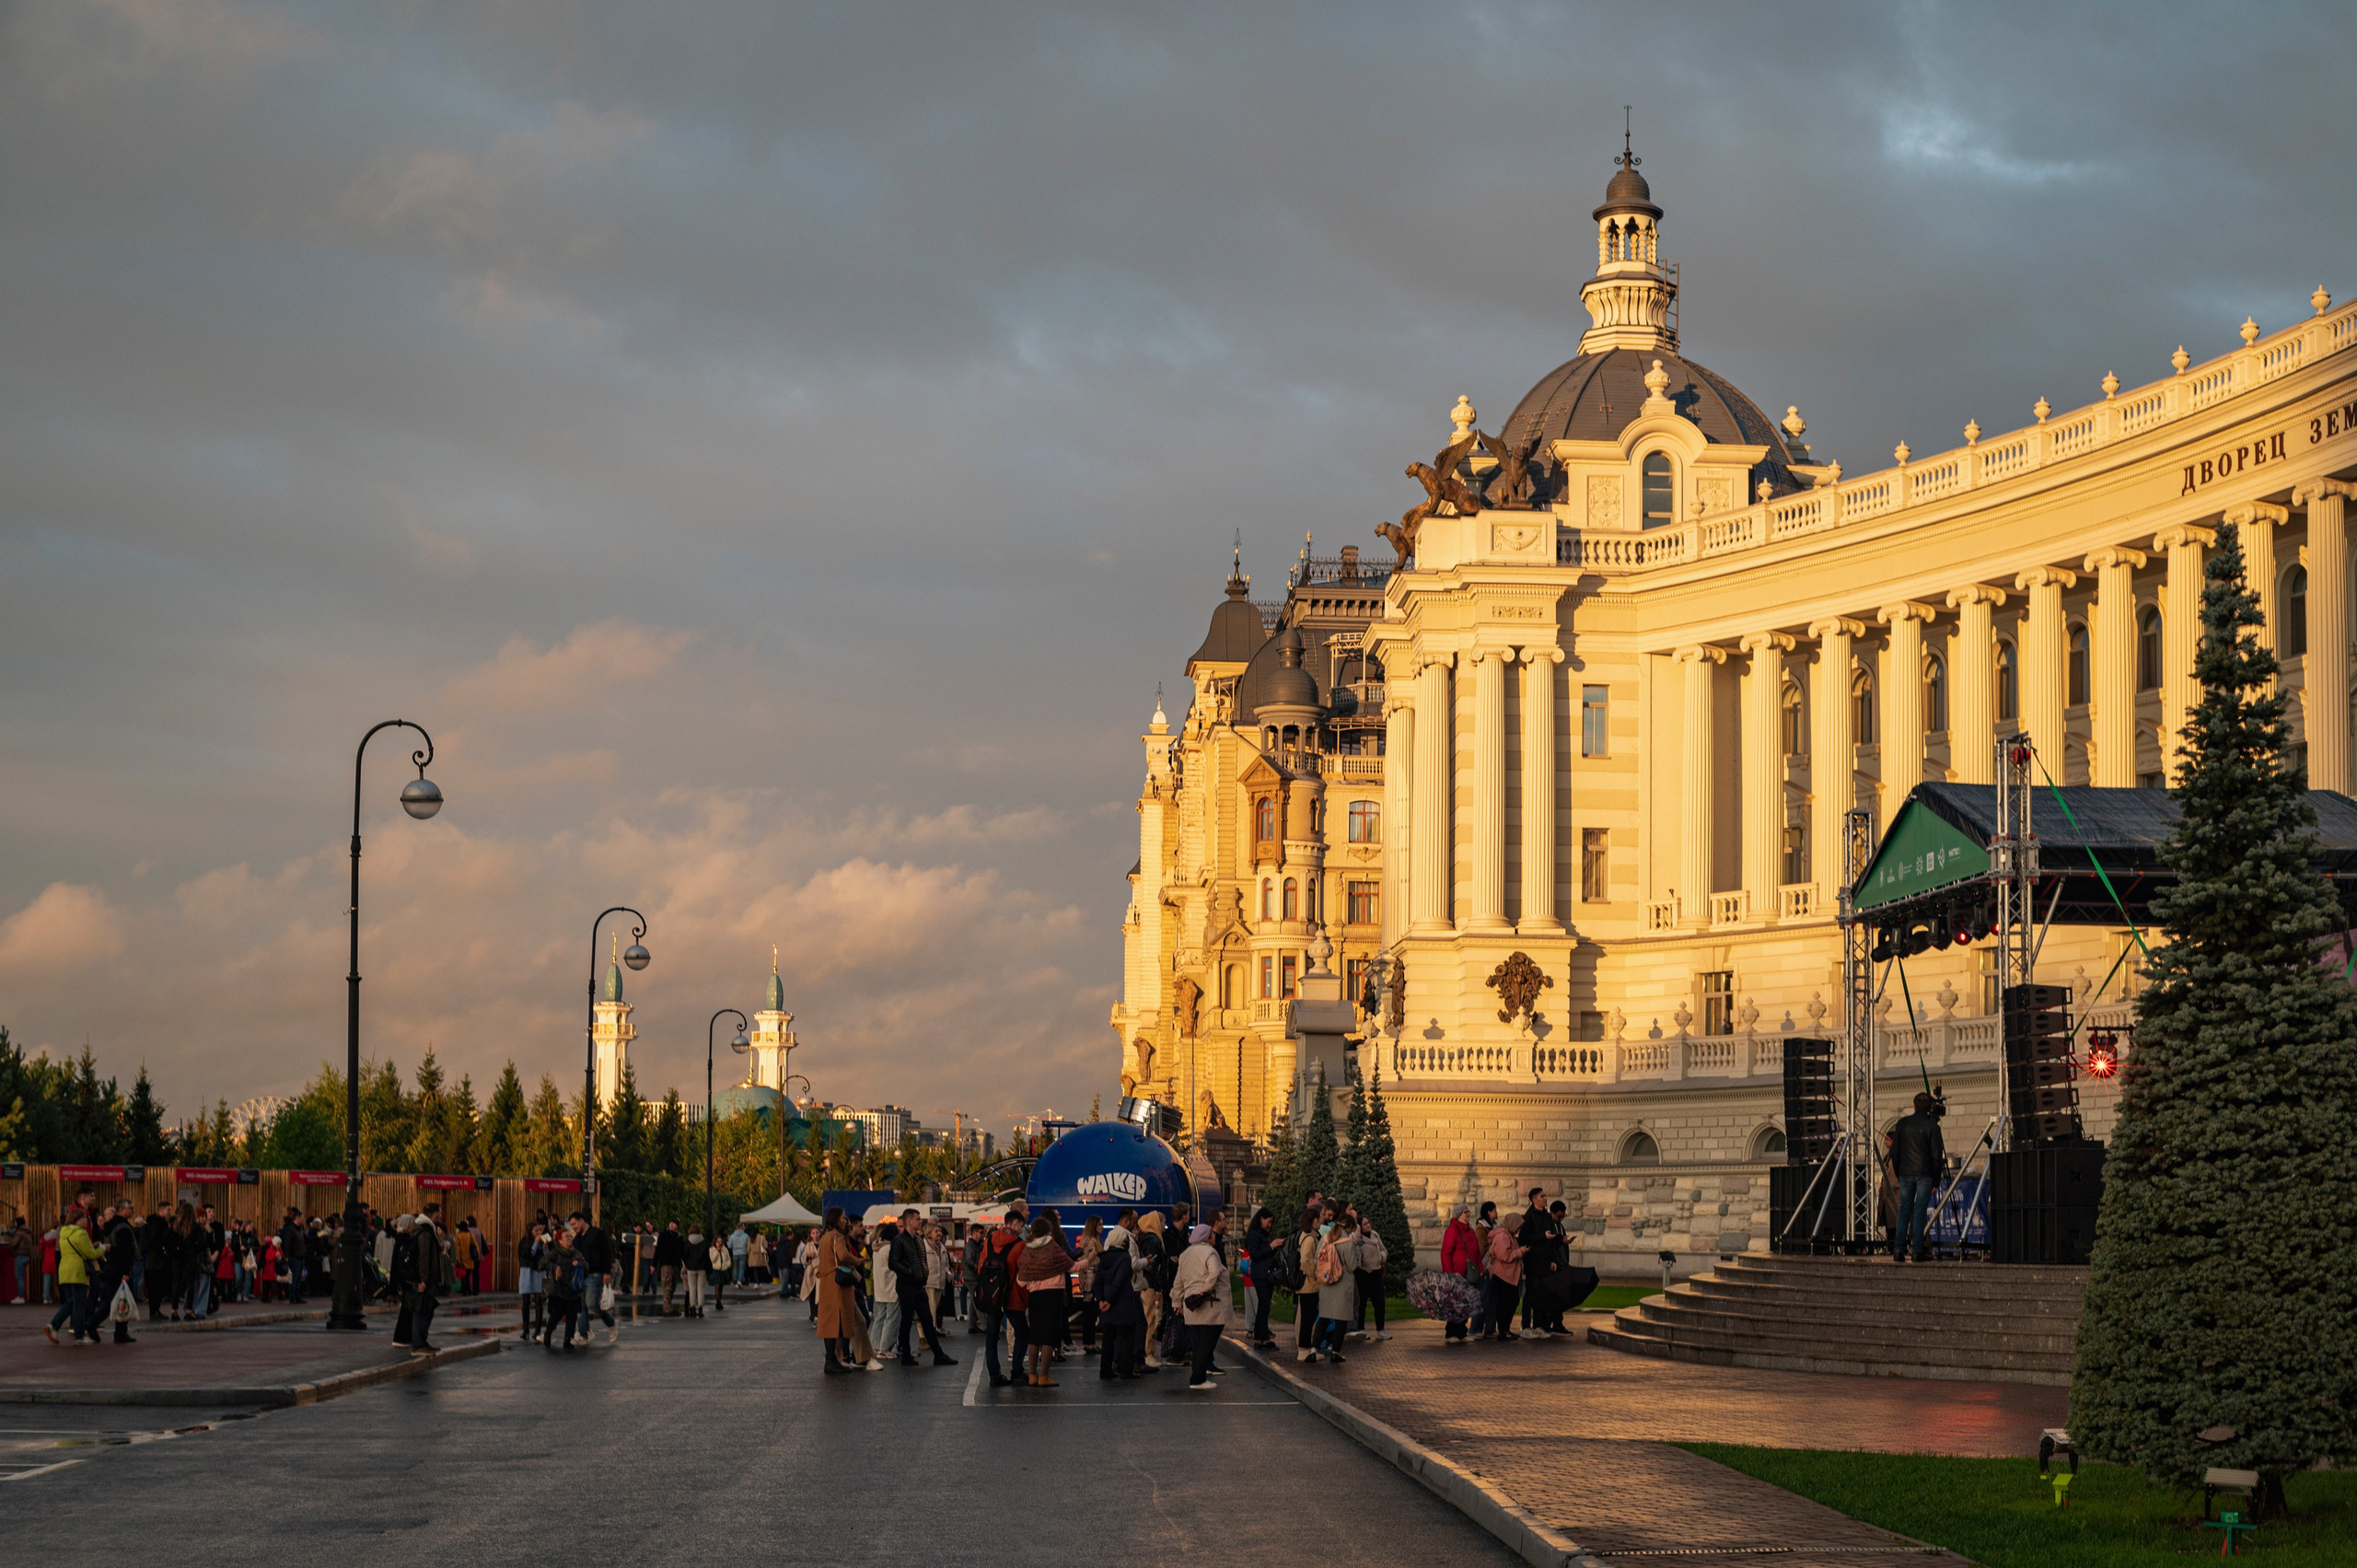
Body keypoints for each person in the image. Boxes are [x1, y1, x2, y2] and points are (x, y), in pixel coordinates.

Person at [887, 1208, 956, 1366]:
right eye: (917, 1219)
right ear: (909, 1221)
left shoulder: (918, 1240)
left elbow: (922, 1260)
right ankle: (906, 1354)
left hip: (918, 1285)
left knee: (927, 1319)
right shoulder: (899, 1241)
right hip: (906, 1285)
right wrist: (910, 1273)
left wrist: (923, 1275)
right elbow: (893, 1263)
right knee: (907, 1320)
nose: (921, 1221)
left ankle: (938, 1354)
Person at [1015, 1213, 1073, 1388]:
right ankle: (1044, 1376)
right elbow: (1071, 1265)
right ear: (1048, 1231)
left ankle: (1032, 1376)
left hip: (1034, 1297)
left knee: (1034, 1336)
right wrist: (1089, 1260)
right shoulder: (1052, 1247)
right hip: (1053, 1295)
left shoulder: (1028, 1249)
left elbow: (1021, 1281)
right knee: (1049, 1337)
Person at [814, 1208, 875, 1374]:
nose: (845, 1220)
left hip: (827, 1282)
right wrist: (858, 1261)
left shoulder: (825, 1236)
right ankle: (836, 1360)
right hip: (838, 1284)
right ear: (836, 1219)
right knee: (841, 1322)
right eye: (842, 1218)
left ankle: (834, 1359)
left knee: (833, 1323)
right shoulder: (838, 1237)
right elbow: (843, 1255)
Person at [1888, 1091, 1947, 1262]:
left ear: (1914, 1106)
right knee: (1920, 1212)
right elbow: (1937, 1157)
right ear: (1930, 1107)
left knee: (1904, 1211)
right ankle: (1917, 1250)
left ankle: (1898, 1249)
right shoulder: (1933, 1127)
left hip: (1906, 1173)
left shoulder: (1902, 1124)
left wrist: (1899, 1172)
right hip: (1925, 1174)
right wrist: (1936, 1180)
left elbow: (1895, 1152)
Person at [1171, 1221, 1231, 1390]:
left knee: (1198, 1342)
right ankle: (1198, 1379)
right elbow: (1214, 1273)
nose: (1214, 1237)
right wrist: (1204, 1290)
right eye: (1212, 1234)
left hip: (1191, 1304)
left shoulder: (1185, 1254)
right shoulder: (1210, 1252)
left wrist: (1177, 1301)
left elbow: (1178, 1282)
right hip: (1209, 1304)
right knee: (1207, 1343)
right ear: (1206, 1237)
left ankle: (1197, 1376)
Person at [976, 1203, 1028, 1385]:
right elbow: (1024, 1271)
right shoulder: (1019, 1245)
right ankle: (1017, 1372)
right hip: (1012, 1297)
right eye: (1021, 1226)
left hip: (992, 1296)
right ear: (1015, 1223)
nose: (1021, 1230)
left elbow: (981, 1266)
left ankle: (994, 1375)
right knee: (1022, 1332)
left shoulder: (989, 1241)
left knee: (992, 1335)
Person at [1094, 1223, 1144, 1379]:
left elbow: (1097, 1282)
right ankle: (1126, 1369)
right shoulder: (1124, 1258)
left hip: (1106, 1303)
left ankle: (1105, 1370)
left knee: (1108, 1339)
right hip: (1122, 1302)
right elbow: (1120, 1281)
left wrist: (1101, 1300)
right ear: (1123, 1242)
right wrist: (1109, 1300)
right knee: (1127, 1336)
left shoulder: (1103, 1258)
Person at [45, 1206, 99, 1344]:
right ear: (77, 1220)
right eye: (83, 1218)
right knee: (79, 1304)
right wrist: (103, 1248)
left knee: (70, 1302)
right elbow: (91, 1254)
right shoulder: (81, 1234)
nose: (86, 1220)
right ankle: (79, 1336)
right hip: (78, 1271)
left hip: (65, 1270)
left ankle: (54, 1325)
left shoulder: (63, 1233)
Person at [1515, 1188, 1563, 1340]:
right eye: (1542, 1196)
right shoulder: (1528, 1217)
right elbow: (1524, 1239)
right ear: (1534, 1199)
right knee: (1530, 1294)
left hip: (1545, 1263)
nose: (1545, 1198)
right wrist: (1542, 1236)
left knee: (1542, 1295)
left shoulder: (1547, 1217)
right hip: (1533, 1263)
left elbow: (1551, 1240)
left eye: (1545, 1196)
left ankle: (1539, 1326)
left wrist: (1553, 1260)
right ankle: (1525, 1326)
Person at [1310, 1208, 1356, 1363]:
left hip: (1326, 1283)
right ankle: (1336, 1352)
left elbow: (1317, 1260)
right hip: (1343, 1284)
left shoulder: (1325, 1239)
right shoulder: (1347, 1242)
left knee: (1323, 1318)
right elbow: (1352, 1266)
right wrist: (1358, 1253)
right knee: (1341, 1320)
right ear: (1349, 1227)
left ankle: (1313, 1349)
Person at [1238, 1207, 1279, 1349]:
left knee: (1264, 1305)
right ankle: (1262, 1338)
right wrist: (1271, 1247)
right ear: (1261, 1219)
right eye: (1268, 1221)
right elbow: (1255, 1254)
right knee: (1263, 1305)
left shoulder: (1263, 1234)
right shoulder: (1254, 1235)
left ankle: (1260, 1338)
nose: (1270, 1225)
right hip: (1260, 1274)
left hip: (1266, 1272)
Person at [1135, 1210, 1171, 1369]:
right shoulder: (1152, 1241)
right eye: (1163, 1222)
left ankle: (1149, 1351)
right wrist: (1158, 1288)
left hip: (1152, 1286)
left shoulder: (1152, 1240)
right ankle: (1147, 1353)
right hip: (1151, 1287)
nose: (1164, 1225)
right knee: (1151, 1318)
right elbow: (1153, 1267)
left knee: (1152, 1318)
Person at [1440, 1206, 1480, 1342]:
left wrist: (1480, 1269)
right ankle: (1451, 1333)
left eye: (1468, 1212)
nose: (1468, 1214)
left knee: (1466, 1304)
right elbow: (1446, 1253)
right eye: (1465, 1212)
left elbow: (1477, 1252)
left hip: (1469, 1274)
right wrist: (1450, 1274)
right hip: (1456, 1275)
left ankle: (1462, 1332)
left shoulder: (1471, 1231)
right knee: (1455, 1304)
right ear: (1459, 1215)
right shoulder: (1452, 1231)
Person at [1483, 1210, 1525, 1342]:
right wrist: (1520, 1252)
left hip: (1509, 1276)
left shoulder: (1509, 1235)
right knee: (1505, 1304)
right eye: (1518, 1226)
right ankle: (1503, 1330)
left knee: (1511, 1302)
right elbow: (1504, 1256)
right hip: (1503, 1275)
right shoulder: (1502, 1236)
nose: (1518, 1229)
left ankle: (1505, 1329)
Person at [541, 1223, 583, 1352]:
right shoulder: (555, 1252)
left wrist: (579, 1264)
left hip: (573, 1289)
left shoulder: (576, 1253)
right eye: (566, 1237)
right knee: (556, 1315)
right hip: (559, 1289)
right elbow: (542, 1263)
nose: (570, 1239)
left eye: (570, 1236)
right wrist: (555, 1267)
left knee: (572, 1316)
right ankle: (548, 1333)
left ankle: (567, 1340)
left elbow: (586, 1266)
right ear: (560, 1240)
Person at [1292, 1208, 1322, 1363]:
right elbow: (1305, 1261)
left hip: (1307, 1285)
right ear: (1314, 1220)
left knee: (1308, 1318)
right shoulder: (1310, 1239)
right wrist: (1316, 1274)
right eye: (1320, 1218)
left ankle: (1306, 1348)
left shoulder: (1307, 1236)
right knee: (1307, 1319)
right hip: (1309, 1285)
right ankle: (1304, 1349)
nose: (1321, 1221)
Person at [1070, 1215, 1103, 1355]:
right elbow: (1089, 1261)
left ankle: (1091, 1343)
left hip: (1093, 1280)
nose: (1102, 1227)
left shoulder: (1095, 1239)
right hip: (1091, 1281)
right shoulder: (1091, 1241)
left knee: (1092, 1313)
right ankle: (1088, 1343)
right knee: (1090, 1313)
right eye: (1100, 1224)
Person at [517, 1223, 546, 1340]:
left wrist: (544, 1246)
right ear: (530, 1231)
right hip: (527, 1271)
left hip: (538, 1271)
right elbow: (529, 1255)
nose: (538, 1233)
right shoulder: (524, 1242)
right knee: (525, 1300)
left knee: (539, 1299)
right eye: (536, 1231)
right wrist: (536, 1243)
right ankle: (525, 1329)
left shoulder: (542, 1241)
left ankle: (537, 1330)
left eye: (539, 1230)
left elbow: (547, 1256)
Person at [653, 1221, 685, 1313]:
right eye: (670, 1223)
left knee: (673, 1286)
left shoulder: (679, 1237)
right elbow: (658, 1250)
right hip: (666, 1263)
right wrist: (654, 1264)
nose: (671, 1225)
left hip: (676, 1264)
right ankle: (667, 1308)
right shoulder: (664, 1235)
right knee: (667, 1286)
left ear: (677, 1226)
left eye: (674, 1223)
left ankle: (669, 1305)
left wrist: (684, 1263)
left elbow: (682, 1251)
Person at [682, 1225, 709, 1318]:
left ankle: (692, 1308)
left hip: (691, 1268)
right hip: (702, 1267)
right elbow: (707, 1255)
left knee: (692, 1288)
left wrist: (687, 1264)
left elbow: (684, 1255)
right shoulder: (704, 1241)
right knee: (701, 1289)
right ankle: (700, 1308)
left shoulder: (688, 1242)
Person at [727, 1222, 749, 1286]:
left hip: (735, 1253)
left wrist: (728, 1241)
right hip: (743, 1252)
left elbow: (730, 1246)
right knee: (742, 1268)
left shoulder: (732, 1236)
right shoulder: (746, 1236)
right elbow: (748, 1245)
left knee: (736, 1267)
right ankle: (740, 1281)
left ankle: (736, 1280)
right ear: (741, 1227)